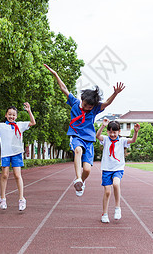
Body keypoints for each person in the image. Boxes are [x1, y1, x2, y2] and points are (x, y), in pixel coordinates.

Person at [44, 64, 125, 196]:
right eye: (85, 105)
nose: (86, 108)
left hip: (89, 140)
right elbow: (64, 88)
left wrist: (115, 93)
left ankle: (81, 181)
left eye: (89, 107)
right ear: (82, 100)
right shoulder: (75, 103)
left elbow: (107, 103)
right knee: (77, 150)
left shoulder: (94, 110)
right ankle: (77, 178)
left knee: (87, 170)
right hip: (76, 136)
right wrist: (55, 74)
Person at [0, 103, 36, 211]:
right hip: (5, 154)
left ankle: (21, 199)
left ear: (16, 116)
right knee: (5, 175)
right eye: (9, 114)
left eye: (13, 115)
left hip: (17, 153)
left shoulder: (20, 125)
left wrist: (29, 111)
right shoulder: (2, 126)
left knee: (17, 175)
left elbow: (33, 122)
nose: (11, 116)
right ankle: (2, 198)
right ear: (6, 115)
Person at [96, 118, 140, 223]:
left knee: (116, 184)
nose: (112, 134)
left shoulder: (122, 140)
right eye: (110, 132)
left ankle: (117, 208)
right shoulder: (106, 139)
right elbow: (97, 136)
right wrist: (102, 126)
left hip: (118, 168)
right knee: (107, 192)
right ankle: (105, 213)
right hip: (106, 169)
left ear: (119, 132)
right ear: (108, 132)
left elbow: (133, 140)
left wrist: (136, 132)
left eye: (114, 132)